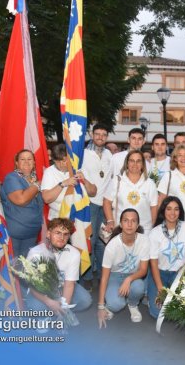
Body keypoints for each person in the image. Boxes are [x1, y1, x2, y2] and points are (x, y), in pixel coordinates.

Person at [26, 218, 92, 313]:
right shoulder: (36, 253)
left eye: (66, 234)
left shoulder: (74, 253)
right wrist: (49, 302)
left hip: (62, 286)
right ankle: (44, 316)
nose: (62, 237)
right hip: (40, 290)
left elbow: (69, 285)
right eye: (58, 233)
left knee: (85, 300)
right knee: (36, 306)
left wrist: (64, 309)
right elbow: (32, 287)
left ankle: (59, 313)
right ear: (48, 234)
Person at [97, 208, 149, 327]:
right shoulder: (112, 245)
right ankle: (111, 304)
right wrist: (100, 306)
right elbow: (104, 277)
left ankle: (132, 304)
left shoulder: (144, 241)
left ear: (137, 225)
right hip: (114, 276)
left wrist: (129, 279)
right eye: (126, 220)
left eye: (133, 221)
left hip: (134, 276)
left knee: (139, 286)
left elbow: (143, 270)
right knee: (116, 304)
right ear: (120, 224)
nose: (129, 224)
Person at [147, 196, 185, 318]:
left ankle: (171, 295)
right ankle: (151, 294)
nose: (172, 213)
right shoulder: (155, 233)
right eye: (168, 209)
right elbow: (153, 262)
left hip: (179, 274)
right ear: (163, 211)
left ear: (180, 212)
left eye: (176, 209)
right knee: (157, 313)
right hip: (159, 274)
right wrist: (159, 287)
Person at [81, 123, 113, 289]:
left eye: (104, 134)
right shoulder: (83, 153)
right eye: (97, 134)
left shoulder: (109, 154)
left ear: (107, 137)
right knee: (90, 241)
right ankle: (86, 276)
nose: (100, 137)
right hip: (90, 204)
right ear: (92, 135)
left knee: (103, 241)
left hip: (105, 205)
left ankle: (101, 275)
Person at [0, 149, 44, 259]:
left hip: (32, 232)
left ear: (34, 162)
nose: (26, 162)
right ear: (16, 162)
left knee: (26, 268)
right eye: (22, 159)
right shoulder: (12, 178)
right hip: (15, 234)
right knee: (13, 267)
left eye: (29, 159)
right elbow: (21, 200)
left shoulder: (34, 178)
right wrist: (37, 185)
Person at [104, 149, 158, 235]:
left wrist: (151, 227)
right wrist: (110, 221)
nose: (135, 164)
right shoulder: (117, 180)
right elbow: (107, 202)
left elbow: (154, 207)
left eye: (138, 161)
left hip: (144, 231)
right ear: (127, 163)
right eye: (132, 161)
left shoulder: (150, 183)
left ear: (143, 164)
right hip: (121, 230)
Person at [41, 143, 97, 220]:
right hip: (58, 217)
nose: (61, 164)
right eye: (58, 161)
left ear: (69, 158)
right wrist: (63, 184)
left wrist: (84, 181)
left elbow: (93, 193)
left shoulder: (79, 169)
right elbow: (46, 199)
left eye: (64, 160)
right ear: (53, 160)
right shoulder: (49, 172)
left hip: (80, 216)